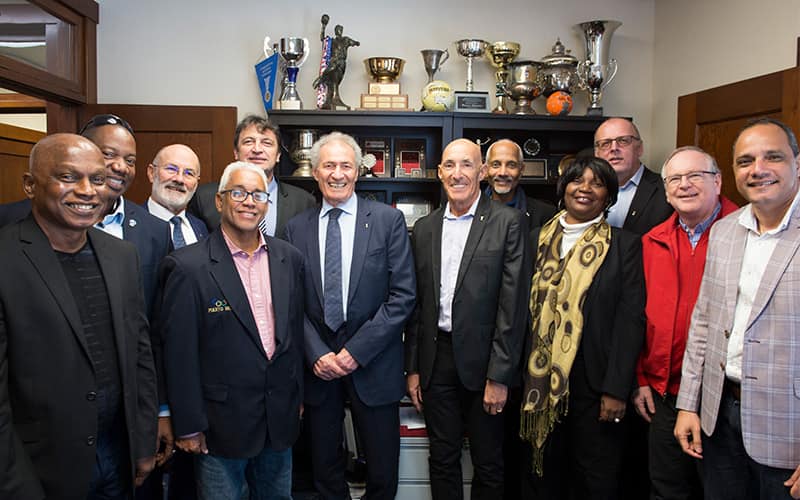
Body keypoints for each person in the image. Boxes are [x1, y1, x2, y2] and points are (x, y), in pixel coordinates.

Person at [0, 133, 158, 499]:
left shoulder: (122, 257)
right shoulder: (6, 259)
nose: (88, 191)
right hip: (39, 468)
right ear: (30, 185)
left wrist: (143, 441)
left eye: (98, 179)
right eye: (69, 177)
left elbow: (140, 355)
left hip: (118, 457)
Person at [158, 161, 305, 500]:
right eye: (238, 193)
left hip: (278, 419)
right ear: (220, 202)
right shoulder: (187, 266)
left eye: (257, 194)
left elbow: (293, 336)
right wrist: (189, 424)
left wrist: (295, 399)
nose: (248, 201)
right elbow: (179, 353)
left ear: (267, 203)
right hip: (219, 425)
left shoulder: (289, 259)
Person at [284, 131, 416, 500]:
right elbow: (290, 301)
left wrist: (356, 351)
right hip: (319, 369)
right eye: (329, 165)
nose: (337, 174)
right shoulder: (297, 228)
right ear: (315, 171)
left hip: (374, 364)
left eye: (345, 165)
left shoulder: (388, 222)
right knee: (324, 469)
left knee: (382, 468)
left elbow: (403, 296)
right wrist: (316, 353)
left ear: (358, 171)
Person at [674, 118, 800, 500]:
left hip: (788, 431)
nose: (757, 169)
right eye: (745, 161)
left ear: (797, 162)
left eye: (772, 157)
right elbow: (704, 322)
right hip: (719, 417)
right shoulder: (726, 230)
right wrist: (688, 404)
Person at [405, 138, 528, 500]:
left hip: (486, 362)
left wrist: (500, 376)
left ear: (483, 172)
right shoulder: (425, 228)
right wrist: (413, 367)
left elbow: (513, 305)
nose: (457, 174)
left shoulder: (508, 223)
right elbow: (418, 305)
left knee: (488, 462)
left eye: (467, 165)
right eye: (449, 165)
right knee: (442, 457)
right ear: (439, 172)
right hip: (436, 359)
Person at [520, 156, 645, 500]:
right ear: (564, 188)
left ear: (609, 195)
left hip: (596, 385)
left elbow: (630, 320)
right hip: (539, 383)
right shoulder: (536, 240)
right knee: (542, 473)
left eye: (597, 183)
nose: (585, 189)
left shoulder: (625, 246)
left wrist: (616, 390)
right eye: (577, 180)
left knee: (595, 479)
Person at [632, 146, 738, 499]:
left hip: (723, 401)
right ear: (665, 190)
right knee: (666, 489)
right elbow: (639, 317)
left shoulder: (743, 235)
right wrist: (642, 378)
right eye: (675, 178)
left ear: (718, 181)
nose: (685, 185)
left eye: (695, 176)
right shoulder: (651, 242)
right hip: (664, 396)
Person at [0, 114, 171, 316]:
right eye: (108, 154)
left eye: (130, 160)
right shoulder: (9, 221)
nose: (120, 166)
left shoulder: (153, 231)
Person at [188, 115, 315, 238]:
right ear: (236, 153)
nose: (257, 149)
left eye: (267, 143)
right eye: (249, 142)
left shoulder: (304, 202)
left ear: (278, 156)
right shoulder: (204, 198)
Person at [594, 117, 673, 235]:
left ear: (639, 149)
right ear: (597, 154)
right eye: (605, 143)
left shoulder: (667, 190)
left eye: (623, 141)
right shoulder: (586, 192)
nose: (614, 148)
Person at [485, 139, 557, 230]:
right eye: (496, 165)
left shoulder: (545, 214)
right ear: (486, 169)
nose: (502, 173)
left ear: (521, 170)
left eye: (511, 165)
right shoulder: (470, 210)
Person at [146, 144, 208, 247]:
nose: (179, 179)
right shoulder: (130, 223)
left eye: (189, 173)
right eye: (171, 169)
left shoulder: (201, 227)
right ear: (152, 173)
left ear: (196, 183)